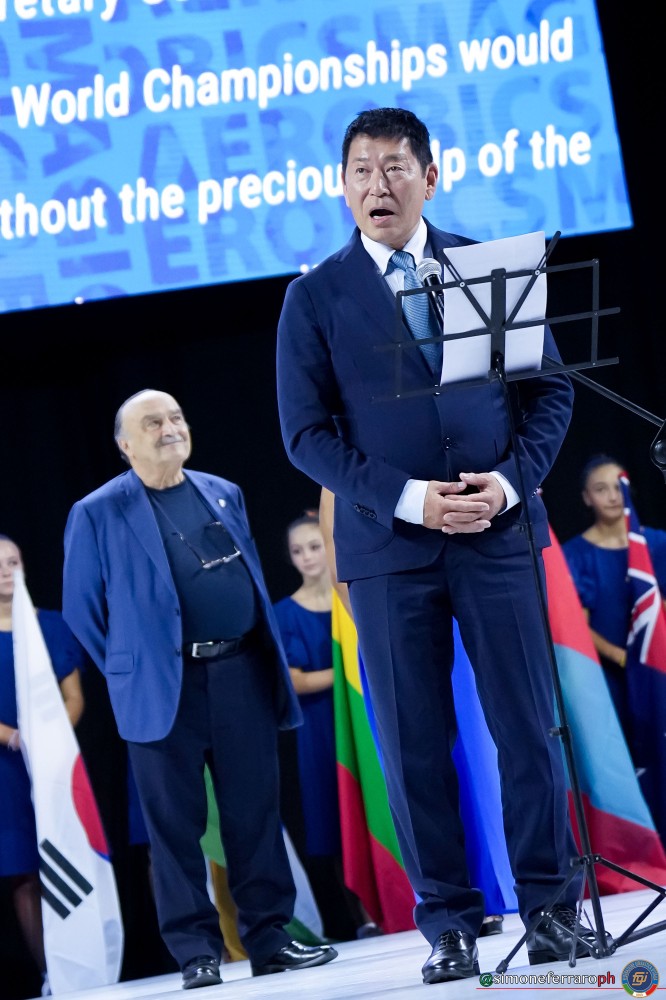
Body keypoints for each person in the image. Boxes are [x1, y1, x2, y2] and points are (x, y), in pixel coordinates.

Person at [276, 106, 591, 983]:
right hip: (389, 553)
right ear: (342, 186)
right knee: (414, 744)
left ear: (430, 176)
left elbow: (552, 393)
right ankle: (448, 923)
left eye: (393, 167)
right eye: (360, 171)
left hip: (497, 535)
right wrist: (411, 499)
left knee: (527, 728)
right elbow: (305, 436)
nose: (376, 185)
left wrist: (511, 482)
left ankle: (551, 910)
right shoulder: (314, 297)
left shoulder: (490, 270)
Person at [61, 389, 337, 991]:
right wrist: (134, 669)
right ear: (124, 444)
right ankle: (196, 953)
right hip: (163, 689)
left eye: (177, 417)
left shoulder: (222, 490)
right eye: (153, 422)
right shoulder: (97, 511)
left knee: (255, 815)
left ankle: (270, 939)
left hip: (240, 673)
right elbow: (83, 611)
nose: (170, 428)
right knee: (174, 828)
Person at [273, 511, 380, 941]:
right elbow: (295, 681)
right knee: (334, 818)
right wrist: (350, 670)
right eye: (297, 551)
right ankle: (364, 917)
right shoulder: (285, 614)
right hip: (319, 728)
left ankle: (397, 899)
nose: (308, 557)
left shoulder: (353, 597)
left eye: (314, 546)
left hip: (363, 715)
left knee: (376, 804)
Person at [0, 534, 85, 998]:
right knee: (25, 871)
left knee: (67, 857)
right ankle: (50, 974)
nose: (6, 571)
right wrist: (16, 738)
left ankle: (85, 962)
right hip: (7, 769)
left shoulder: (51, 625)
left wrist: (50, 740)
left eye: (12, 561)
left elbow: (74, 697)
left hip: (55, 762)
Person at [562, 454, 666, 743]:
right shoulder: (575, 555)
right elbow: (577, 624)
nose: (612, 496)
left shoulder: (658, 543)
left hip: (658, 664)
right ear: (586, 497)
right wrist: (623, 658)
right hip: (609, 675)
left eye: (618, 486)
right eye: (600, 489)